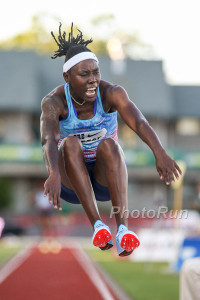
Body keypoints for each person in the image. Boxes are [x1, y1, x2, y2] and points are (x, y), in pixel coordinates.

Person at [40, 23, 182, 257]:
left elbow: (139, 122)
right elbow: (48, 138)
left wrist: (160, 152)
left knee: (110, 144)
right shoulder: (54, 102)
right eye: (84, 74)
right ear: (67, 77)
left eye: (96, 72)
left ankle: (123, 230)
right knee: (70, 143)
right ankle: (98, 226)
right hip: (72, 182)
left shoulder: (112, 93)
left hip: (105, 178)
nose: (92, 80)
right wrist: (53, 173)